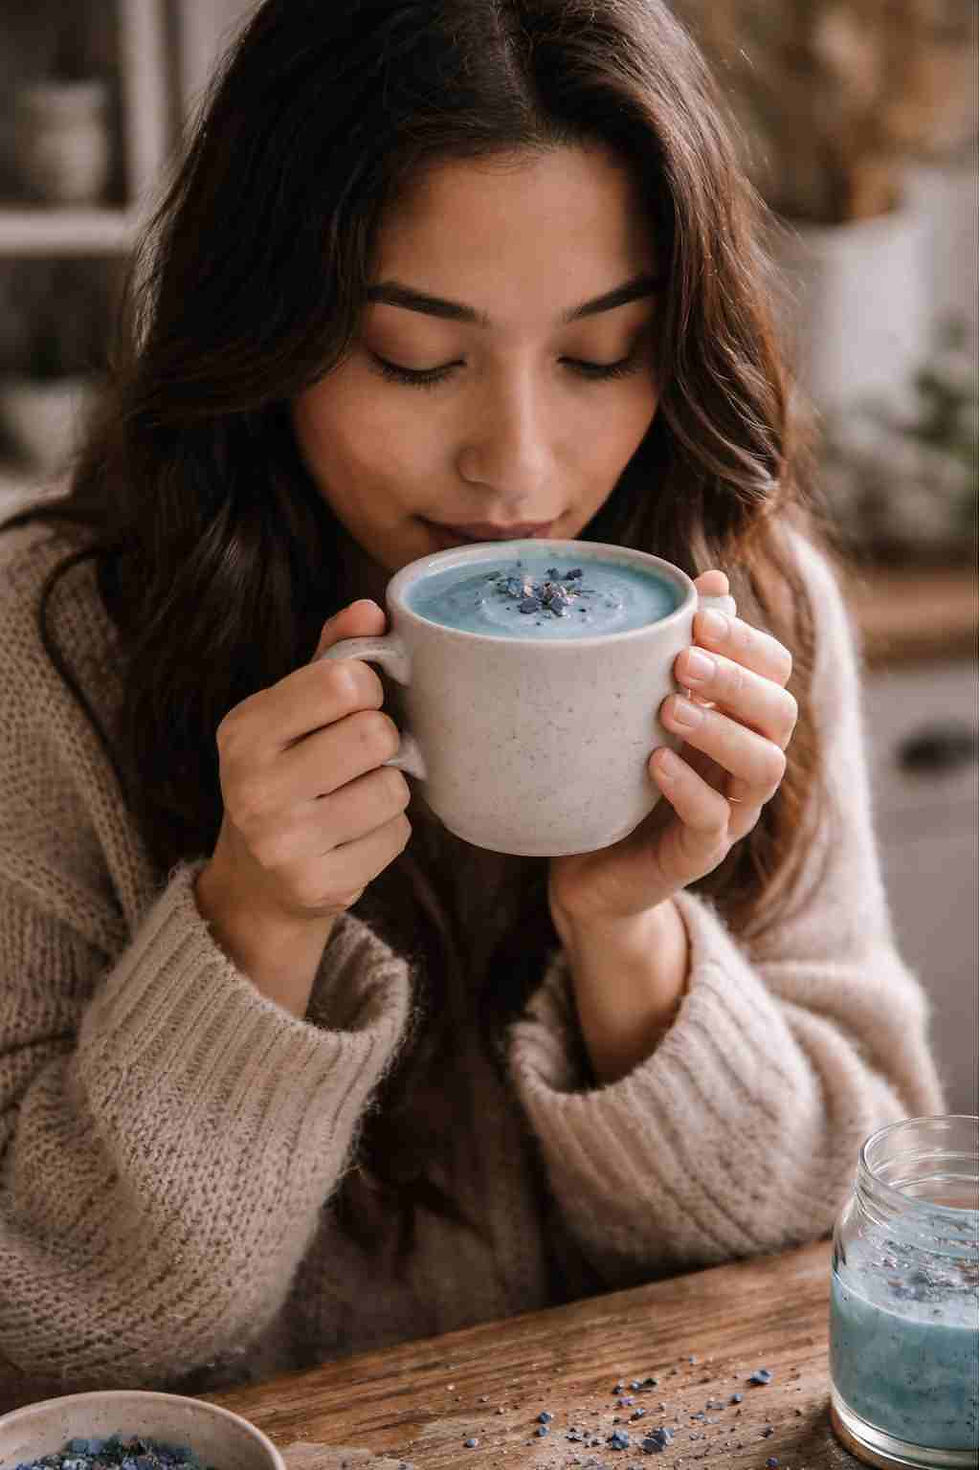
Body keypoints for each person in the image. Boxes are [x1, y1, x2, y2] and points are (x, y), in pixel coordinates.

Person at [0, 0, 943, 1407]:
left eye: (599, 355)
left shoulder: (762, 603)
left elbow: (862, 1240)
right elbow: (61, 1323)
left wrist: (632, 935)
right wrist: (251, 921)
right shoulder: (51, 647)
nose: (516, 470)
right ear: (268, 331)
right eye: (413, 357)